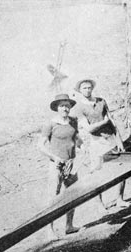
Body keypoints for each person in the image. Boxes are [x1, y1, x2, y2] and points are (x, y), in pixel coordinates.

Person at [70, 78, 131, 208]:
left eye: (89, 87)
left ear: (92, 88)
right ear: (80, 91)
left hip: (111, 139)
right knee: (97, 173)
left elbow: (112, 121)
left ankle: (120, 198)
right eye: (84, 88)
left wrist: (119, 140)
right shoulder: (79, 107)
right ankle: (100, 204)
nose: (87, 90)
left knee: (120, 169)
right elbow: (89, 128)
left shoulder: (101, 101)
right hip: (96, 142)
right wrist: (104, 122)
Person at [38, 93, 82, 235]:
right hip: (56, 165)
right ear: (57, 108)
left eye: (67, 106)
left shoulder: (73, 121)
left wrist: (83, 146)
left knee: (73, 194)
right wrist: (54, 157)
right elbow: (40, 145)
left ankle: (69, 226)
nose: (65, 109)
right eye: (62, 106)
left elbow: (76, 137)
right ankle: (49, 230)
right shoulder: (50, 124)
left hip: (71, 164)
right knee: (53, 196)